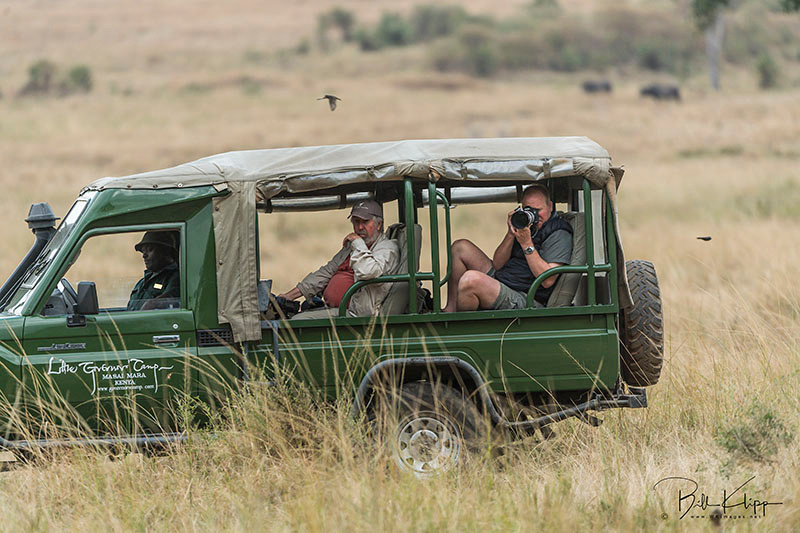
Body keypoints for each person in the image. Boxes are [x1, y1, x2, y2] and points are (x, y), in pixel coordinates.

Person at [443, 184, 573, 312]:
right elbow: (498, 264)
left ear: (550, 206)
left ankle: (460, 330)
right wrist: (511, 234)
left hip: (526, 296)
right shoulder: (527, 226)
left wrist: (526, 244)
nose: (534, 215)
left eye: (538, 210)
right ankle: (450, 310)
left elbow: (547, 280)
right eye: (528, 210)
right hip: (506, 279)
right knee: (460, 247)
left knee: (470, 280)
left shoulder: (559, 233)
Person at [278, 199, 400, 319]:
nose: (359, 227)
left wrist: (358, 243)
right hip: (336, 308)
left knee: (298, 322)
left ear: (379, 225)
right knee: (292, 314)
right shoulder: (354, 246)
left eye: (365, 222)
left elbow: (368, 272)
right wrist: (290, 296)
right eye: (356, 222)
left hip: (356, 314)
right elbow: (326, 272)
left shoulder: (387, 248)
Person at [126, 231, 180, 311]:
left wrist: (153, 304)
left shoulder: (176, 278)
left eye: (150, 249)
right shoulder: (142, 282)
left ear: (165, 251)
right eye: (143, 251)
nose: (144, 255)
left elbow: (172, 299)